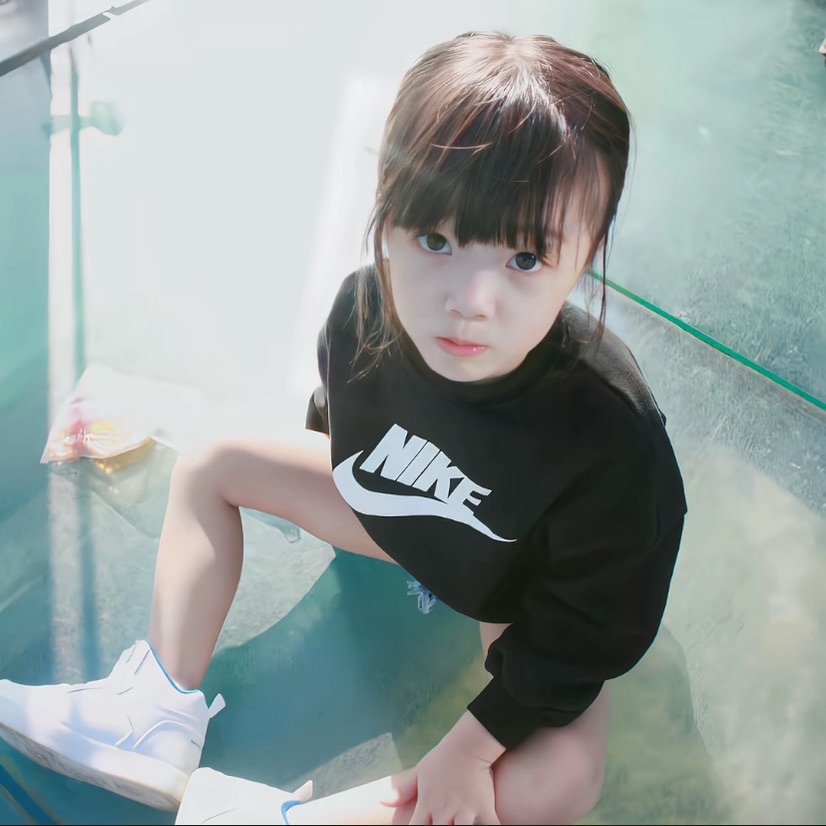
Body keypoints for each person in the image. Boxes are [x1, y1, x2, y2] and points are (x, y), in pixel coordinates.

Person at [0, 30, 687, 826]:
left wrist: (473, 744)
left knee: (556, 783)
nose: (471, 300)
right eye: (436, 240)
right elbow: (340, 435)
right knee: (217, 459)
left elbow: (590, 633)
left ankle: (294, 820)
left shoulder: (611, 434)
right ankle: (152, 708)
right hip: (407, 528)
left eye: (525, 259)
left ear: (587, 253)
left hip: (520, 591)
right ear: (386, 215)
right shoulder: (363, 312)